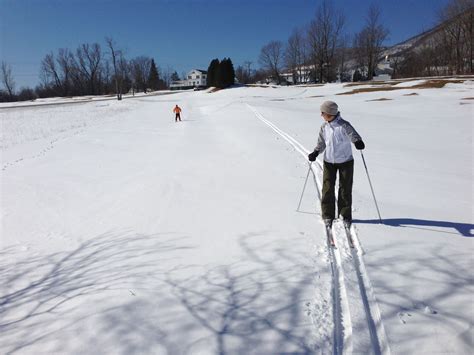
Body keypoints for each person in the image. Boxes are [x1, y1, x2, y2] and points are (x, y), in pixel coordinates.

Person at [308, 100, 365, 228]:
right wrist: (316, 152)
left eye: (323, 113)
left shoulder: (344, 125)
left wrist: (357, 142)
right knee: (327, 188)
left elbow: (353, 135)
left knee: (345, 188)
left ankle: (345, 215)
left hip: (346, 162)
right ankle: (328, 215)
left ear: (329, 113)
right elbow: (321, 143)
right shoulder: (324, 127)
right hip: (329, 161)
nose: (321, 115)